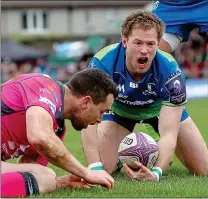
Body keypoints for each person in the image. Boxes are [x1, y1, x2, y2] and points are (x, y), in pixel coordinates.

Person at [81, 10, 208, 182]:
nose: (144, 50)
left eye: (150, 44)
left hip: (159, 112)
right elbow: (86, 117)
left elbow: (170, 133)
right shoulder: (102, 63)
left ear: (158, 43)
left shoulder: (171, 72)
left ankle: (155, 151)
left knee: (203, 168)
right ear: (125, 41)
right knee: (105, 167)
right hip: (120, 111)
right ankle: (123, 156)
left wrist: (156, 173)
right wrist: (94, 168)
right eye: (138, 43)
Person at [1, 68, 117, 197]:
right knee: (46, 176)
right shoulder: (44, 87)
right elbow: (40, 137)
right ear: (86, 102)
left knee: (46, 177)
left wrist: (60, 182)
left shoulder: (58, 128)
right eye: (101, 111)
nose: (100, 120)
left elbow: (30, 172)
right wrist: (86, 173)